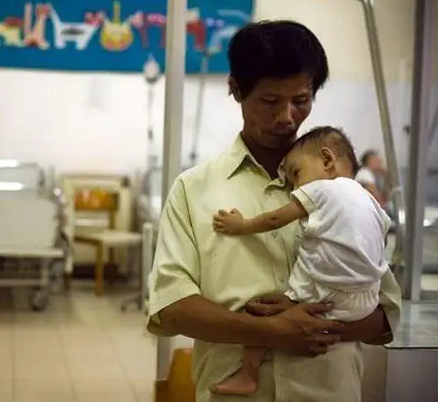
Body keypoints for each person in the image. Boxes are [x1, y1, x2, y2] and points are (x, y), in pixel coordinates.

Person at [147, 20, 401, 402]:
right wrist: (271, 331)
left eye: (301, 101)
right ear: (235, 89)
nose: (287, 117)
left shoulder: (347, 192)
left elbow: (384, 311)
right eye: (270, 101)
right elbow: (171, 308)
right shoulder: (194, 190)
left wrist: (320, 327)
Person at [210, 126, 391, 396]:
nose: (294, 186)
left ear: (327, 161)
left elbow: (275, 219)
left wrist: (241, 225)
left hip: (323, 294)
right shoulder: (370, 201)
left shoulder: (322, 189)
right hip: (364, 302)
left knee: (264, 312)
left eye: (296, 173)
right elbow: (381, 240)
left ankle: (248, 373)